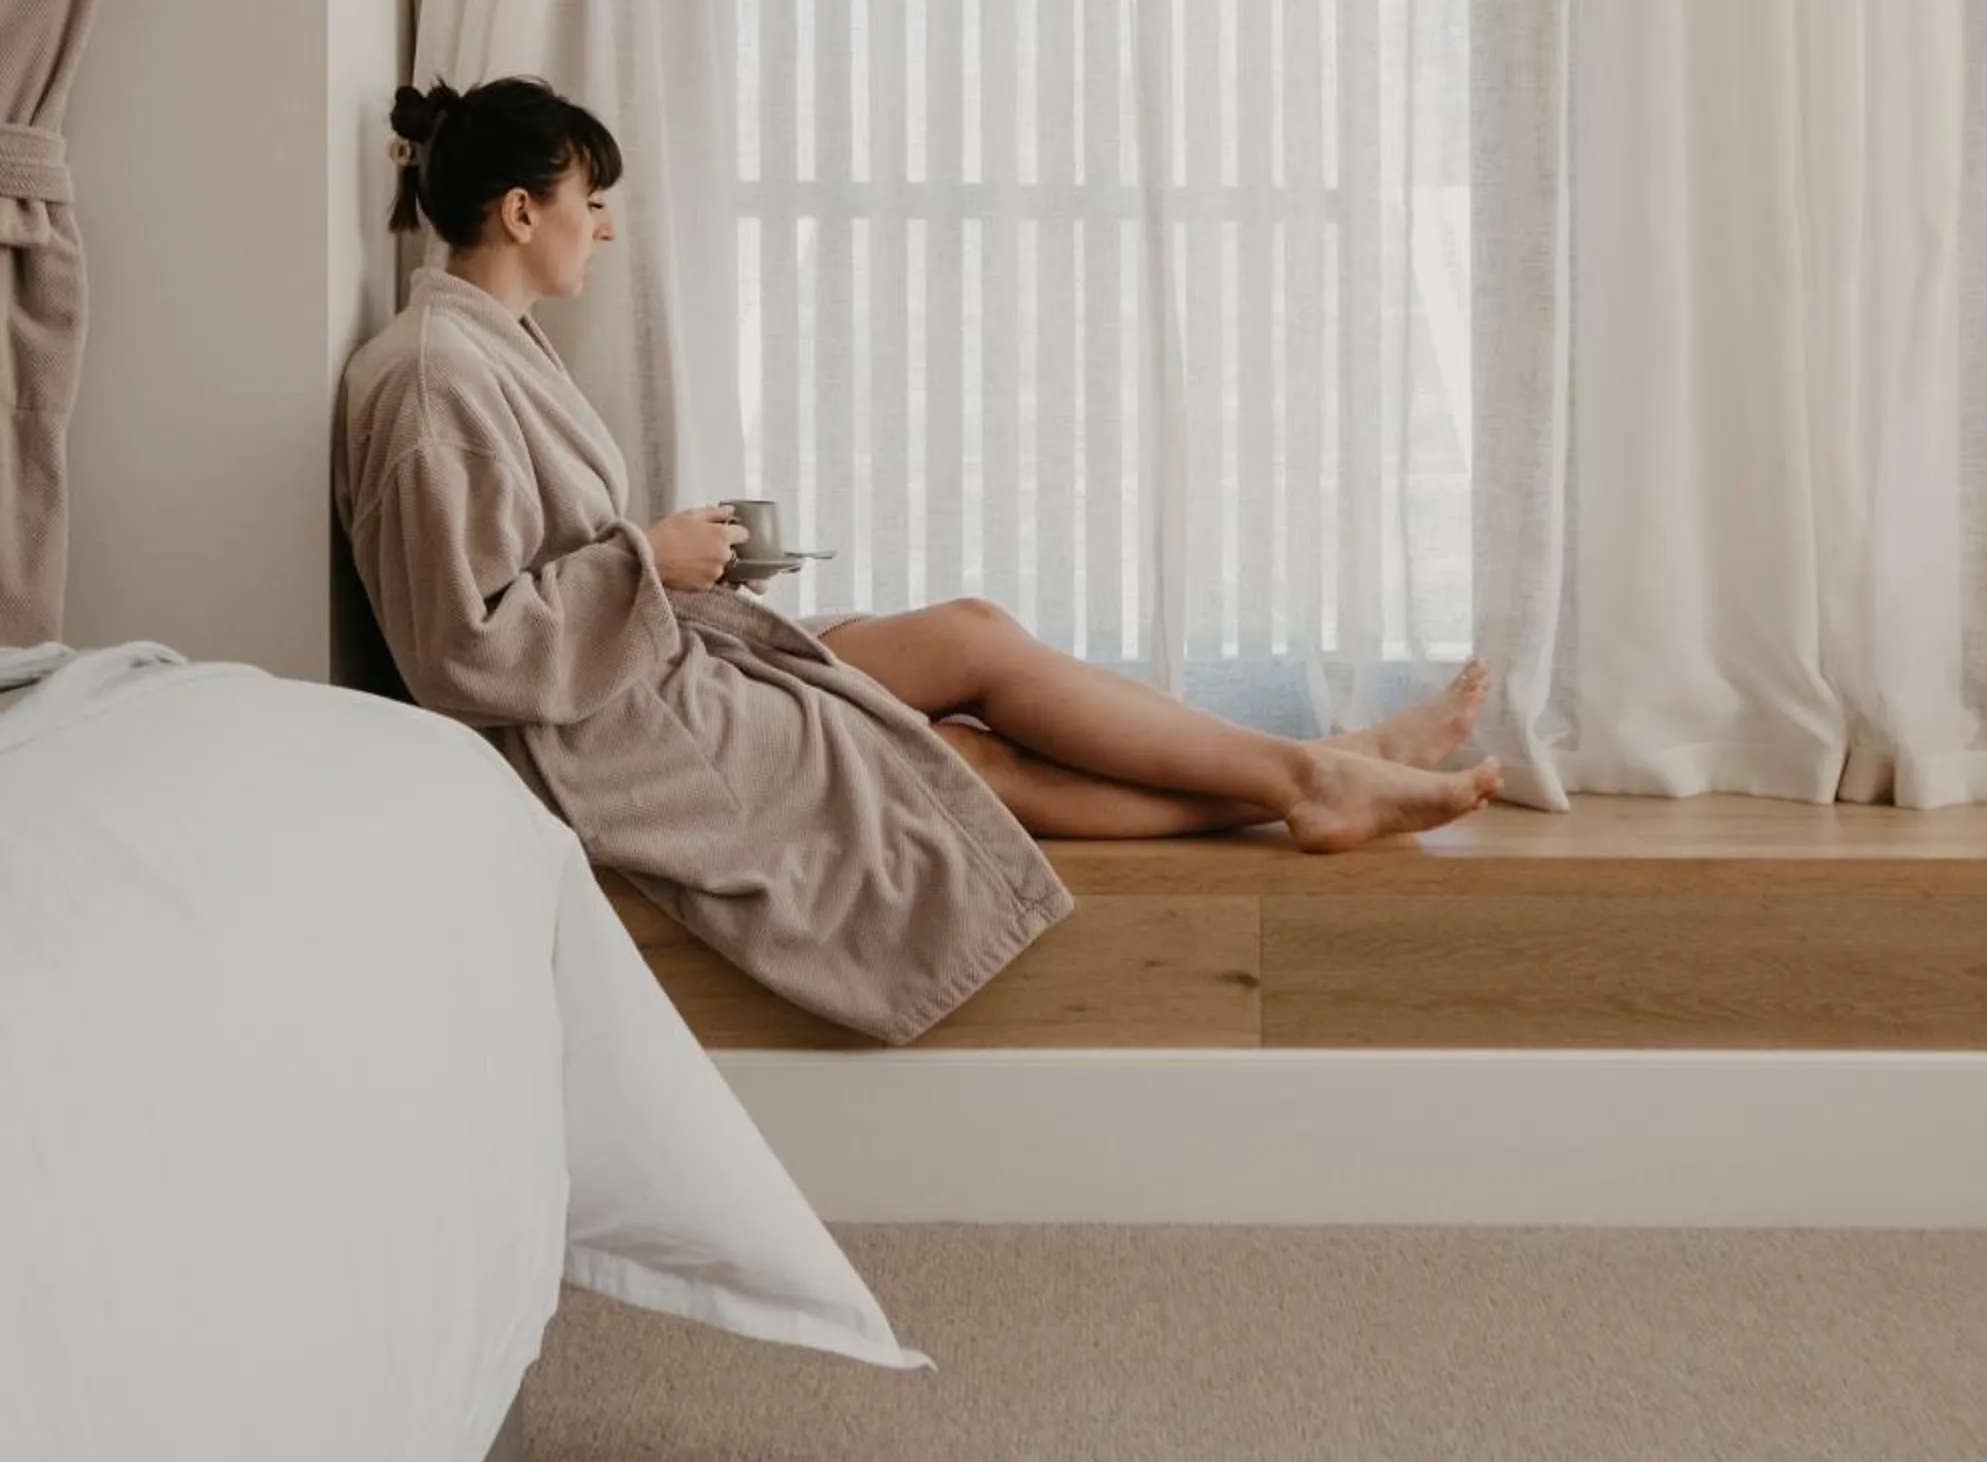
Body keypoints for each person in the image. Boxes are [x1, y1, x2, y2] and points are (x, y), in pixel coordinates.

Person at [335, 75, 1501, 1043]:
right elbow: (460, 656)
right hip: (596, 740)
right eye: (591, 198)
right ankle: (1308, 782)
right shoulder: (434, 382)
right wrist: (648, 557)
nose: (606, 225)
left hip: (645, 670)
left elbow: (541, 572)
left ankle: (1305, 766)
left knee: (970, 631)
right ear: (520, 213)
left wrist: (682, 563)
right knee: (953, 759)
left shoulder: (485, 351)